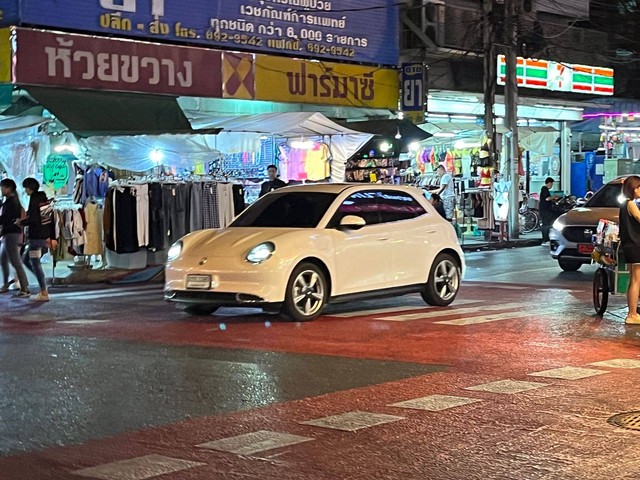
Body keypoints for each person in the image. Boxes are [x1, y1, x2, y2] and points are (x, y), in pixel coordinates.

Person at [16, 178, 57, 302]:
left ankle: (44, 291)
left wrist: (21, 222)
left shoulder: (34, 200)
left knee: (34, 263)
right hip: (43, 236)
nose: (25, 190)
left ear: (30, 188)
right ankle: (42, 285)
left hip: (36, 236)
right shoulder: (44, 200)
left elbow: (33, 219)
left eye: (26, 188)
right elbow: (50, 220)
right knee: (26, 259)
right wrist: (51, 236)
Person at [0, 179, 30, 297]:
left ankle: (25, 288)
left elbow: (5, 219)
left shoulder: (12, 202)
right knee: (3, 258)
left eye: (3, 188)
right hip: (8, 234)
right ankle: (6, 284)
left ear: (8, 188)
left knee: (15, 261)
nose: (1, 190)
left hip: (12, 234)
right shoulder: (9, 201)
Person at [618, 175, 640, 325]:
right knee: (636, 280)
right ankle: (632, 314)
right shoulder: (631, 204)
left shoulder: (624, 203)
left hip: (630, 245)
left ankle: (632, 312)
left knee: (634, 280)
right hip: (636, 245)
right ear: (635, 189)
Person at [539, 177, 559, 246]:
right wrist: (554, 197)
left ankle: (546, 239)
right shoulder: (544, 189)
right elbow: (547, 198)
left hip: (546, 210)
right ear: (549, 183)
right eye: (552, 184)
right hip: (545, 210)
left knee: (546, 224)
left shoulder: (545, 189)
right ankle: (545, 240)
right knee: (546, 225)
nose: (552, 185)